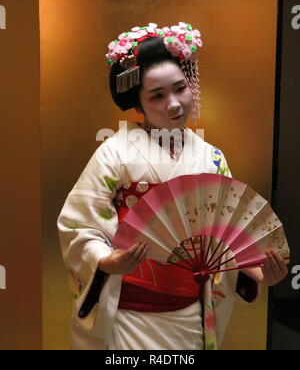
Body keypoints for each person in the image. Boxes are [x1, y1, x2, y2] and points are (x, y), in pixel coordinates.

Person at [57, 22, 289, 350]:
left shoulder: (211, 157)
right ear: (136, 102)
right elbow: (78, 222)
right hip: (130, 312)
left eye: (180, 89)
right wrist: (107, 260)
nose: (174, 104)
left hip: (190, 312)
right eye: (157, 96)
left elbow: (227, 234)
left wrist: (261, 273)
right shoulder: (114, 151)